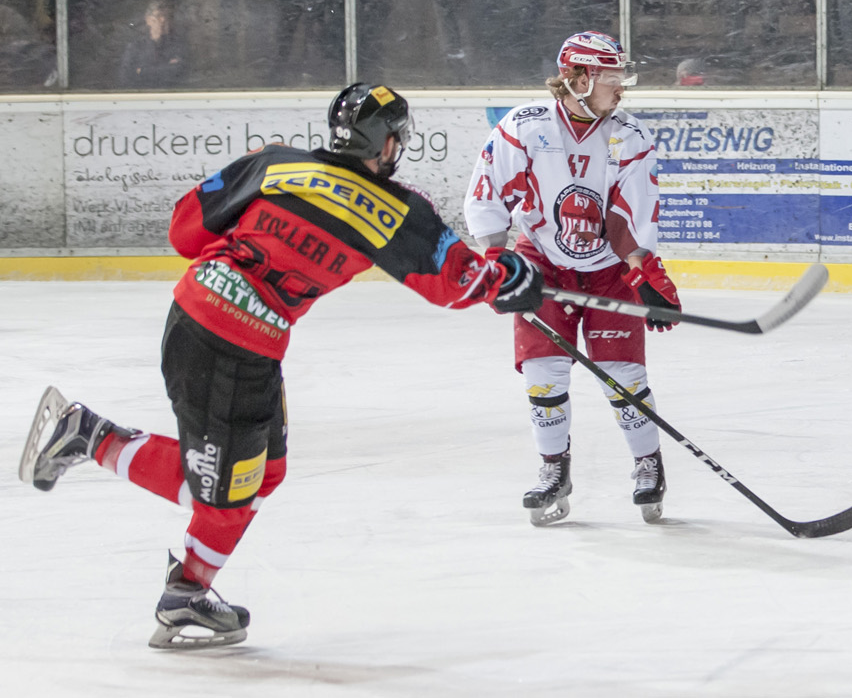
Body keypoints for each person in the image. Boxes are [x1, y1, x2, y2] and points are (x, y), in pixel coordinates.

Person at [19, 83, 544, 650]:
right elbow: (455, 283)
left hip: (210, 324)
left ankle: (188, 591)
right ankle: (89, 436)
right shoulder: (394, 208)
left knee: (264, 472)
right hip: (229, 347)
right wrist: (510, 277)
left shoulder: (275, 163)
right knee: (222, 495)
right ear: (390, 144)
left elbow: (184, 232)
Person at [463, 30, 680, 527]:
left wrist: (643, 271)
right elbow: (488, 192)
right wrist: (497, 260)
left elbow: (629, 215)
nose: (620, 88)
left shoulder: (630, 135)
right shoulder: (525, 127)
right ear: (578, 79)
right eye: (611, 78)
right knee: (543, 373)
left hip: (607, 270)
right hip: (542, 262)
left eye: (622, 77)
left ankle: (648, 464)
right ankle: (553, 469)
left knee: (624, 376)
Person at [116, 0, 187, 89]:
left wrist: (142, 71)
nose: (163, 20)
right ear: (148, 20)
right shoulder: (135, 46)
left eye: (167, 16)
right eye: (158, 16)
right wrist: (166, 67)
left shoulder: (178, 45)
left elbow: (180, 73)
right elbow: (125, 78)